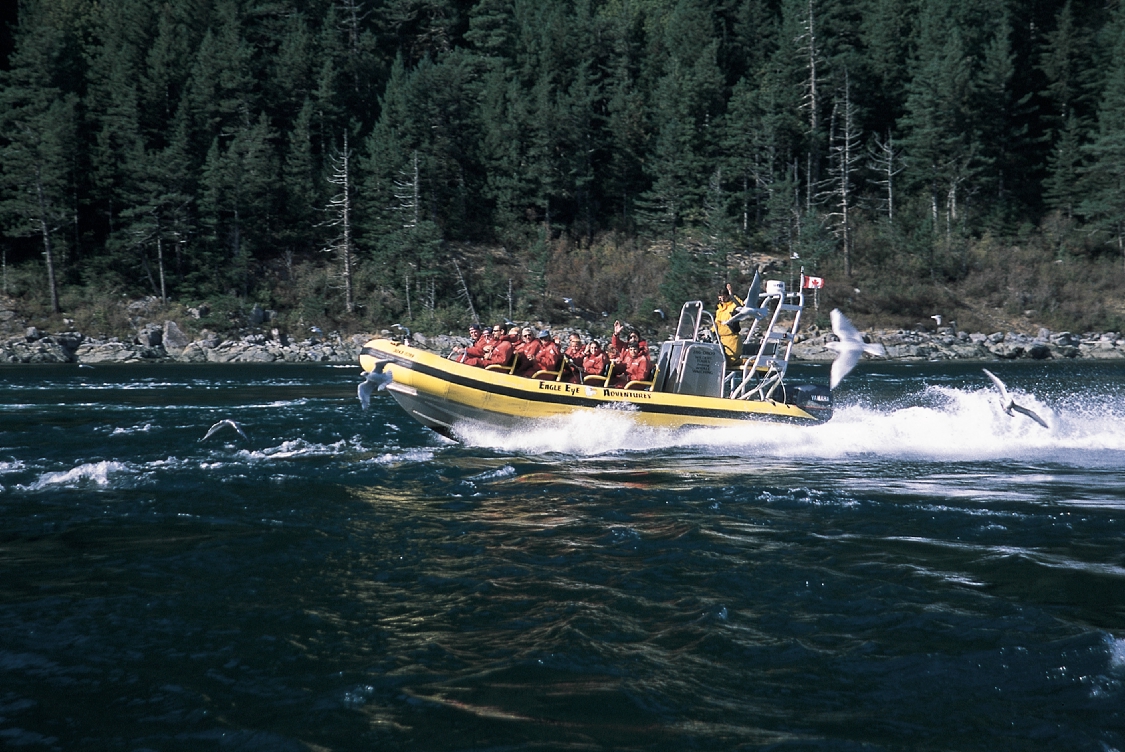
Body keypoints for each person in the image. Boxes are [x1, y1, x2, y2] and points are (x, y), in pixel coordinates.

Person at [714, 283, 744, 367]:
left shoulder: (733, 306)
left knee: (729, 362)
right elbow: (716, 324)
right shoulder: (719, 310)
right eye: (720, 296)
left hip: (732, 340)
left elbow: (742, 306)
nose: (722, 298)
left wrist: (732, 294)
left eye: (725, 296)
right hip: (722, 340)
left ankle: (750, 362)